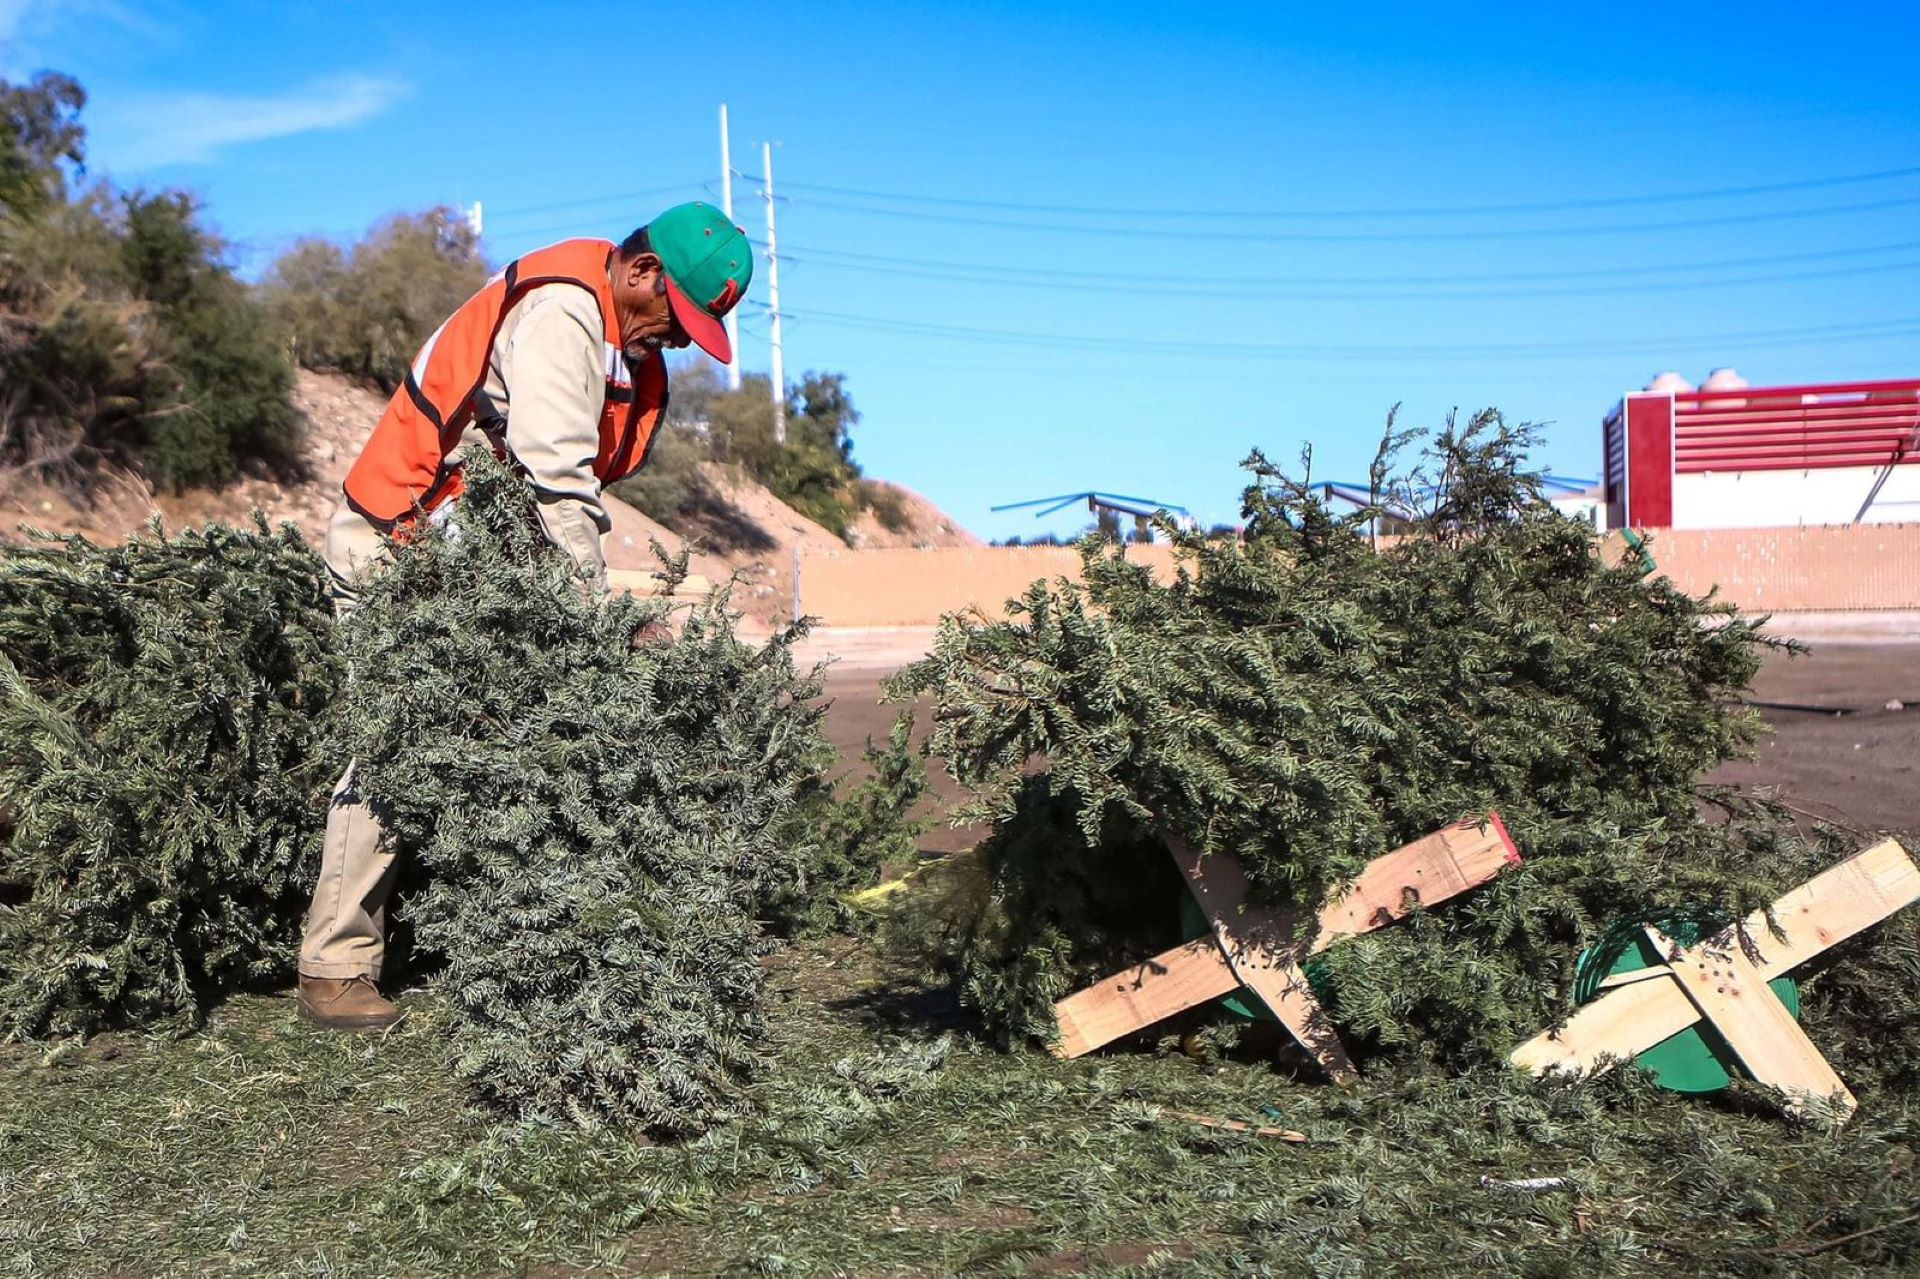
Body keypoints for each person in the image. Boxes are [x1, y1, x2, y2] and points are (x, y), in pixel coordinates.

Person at [296, 201, 752, 1031]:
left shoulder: (623, 345)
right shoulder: (561, 315)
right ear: (640, 271)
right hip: (397, 544)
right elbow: (558, 486)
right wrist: (591, 625)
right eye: (678, 317)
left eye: (697, 328)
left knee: (508, 733)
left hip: (476, 564)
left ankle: (496, 936)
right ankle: (336, 964)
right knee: (401, 738)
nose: (681, 340)